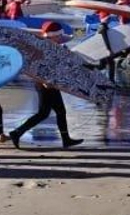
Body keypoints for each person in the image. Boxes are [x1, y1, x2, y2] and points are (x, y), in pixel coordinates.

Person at [9, 22, 83, 150]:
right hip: (44, 83)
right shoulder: (41, 49)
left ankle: (65, 139)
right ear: (53, 36)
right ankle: (17, 133)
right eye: (58, 36)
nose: (60, 39)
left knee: (51, 112)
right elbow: (33, 67)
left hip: (51, 83)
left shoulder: (55, 47)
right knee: (46, 112)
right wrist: (44, 81)